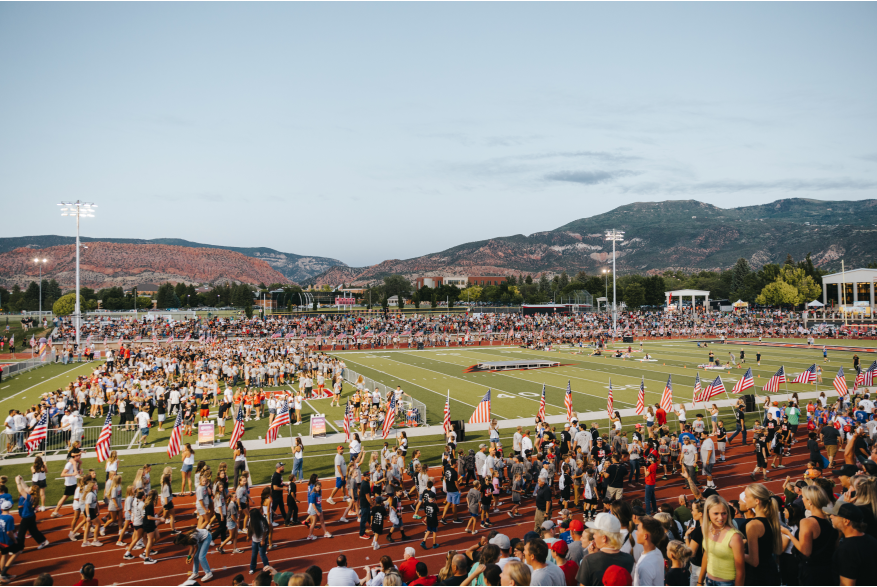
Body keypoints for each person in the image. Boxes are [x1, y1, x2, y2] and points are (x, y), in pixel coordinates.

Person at [779, 485, 836, 586]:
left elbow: (806, 552)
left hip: (812, 573)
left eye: (804, 498)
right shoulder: (831, 519)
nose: (802, 500)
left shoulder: (807, 522)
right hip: (829, 570)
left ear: (810, 501)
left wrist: (789, 534)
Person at [825, 501, 877, 586]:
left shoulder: (847, 551)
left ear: (846, 521)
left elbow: (847, 584)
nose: (831, 516)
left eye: (834, 515)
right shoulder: (872, 540)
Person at [698, 495, 745, 587]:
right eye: (716, 513)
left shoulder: (734, 537)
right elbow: (707, 554)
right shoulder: (706, 528)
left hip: (727, 583)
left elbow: (741, 572)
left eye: (724, 513)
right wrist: (700, 581)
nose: (720, 518)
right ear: (707, 513)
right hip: (709, 580)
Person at [575, 513, 635, 586]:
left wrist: (591, 557)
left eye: (595, 533)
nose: (593, 536)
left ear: (604, 538)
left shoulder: (588, 561)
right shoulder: (629, 559)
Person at [741, 484, 781, 585]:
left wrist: (734, 551)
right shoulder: (772, 520)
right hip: (772, 573)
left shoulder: (753, 525)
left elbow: (754, 561)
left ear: (757, 501)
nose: (744, 499)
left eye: (746, 496)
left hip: (758, 578)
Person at [633, 515, 665, 586]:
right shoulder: (657, 552)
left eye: (638, 530)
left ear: (645, 536)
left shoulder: (645, 566)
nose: (636, 532)